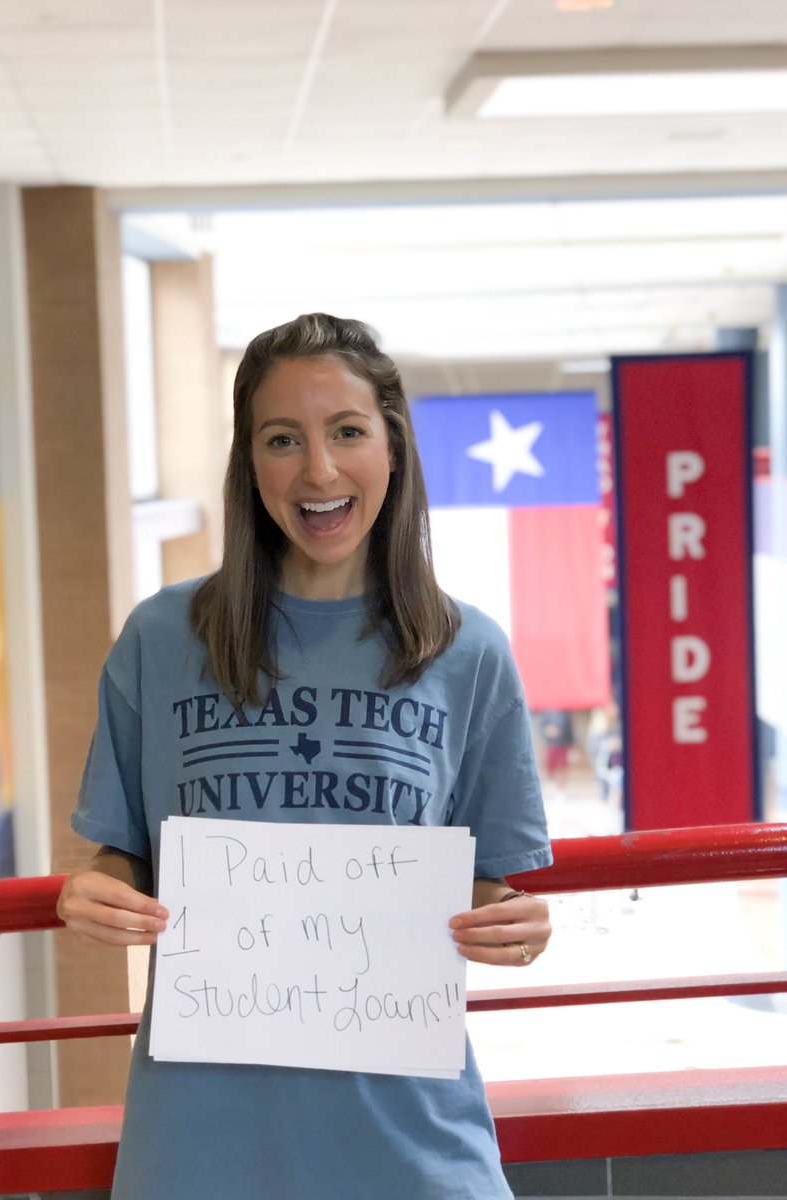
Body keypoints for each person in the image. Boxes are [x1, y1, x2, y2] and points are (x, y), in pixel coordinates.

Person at [59, 313, 553, 1200]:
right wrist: (95, 890)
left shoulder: (467, 651)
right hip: (201, 1146)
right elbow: (121, 853)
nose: (319, 471)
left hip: (412, 1144)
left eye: (348, 432)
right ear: (251, 464)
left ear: (392, 448)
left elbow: (489, 886)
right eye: (283, 439)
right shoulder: (163, 637)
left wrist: (516, 926)